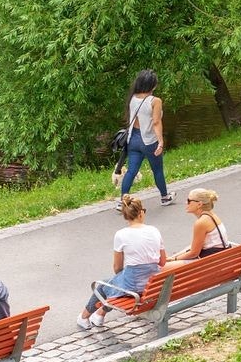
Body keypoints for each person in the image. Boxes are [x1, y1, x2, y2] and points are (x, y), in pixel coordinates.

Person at [79, 194, 165, 329]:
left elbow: (117, 267)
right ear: (141, 213)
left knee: (104, 285)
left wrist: (125, 273)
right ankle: (99, 315)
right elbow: (162, 261)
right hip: (154, 286)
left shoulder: (121, 235)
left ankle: (83, 318)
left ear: (125, 216)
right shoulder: (154, 231)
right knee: (115, 284)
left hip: (135, 288)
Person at [119, 69, 175, 206]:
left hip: (133, 140)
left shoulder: (132, 98)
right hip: (149, 141)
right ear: (153, 85)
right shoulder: (155, 101)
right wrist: (160, 141)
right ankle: (165, 197)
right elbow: (156, 122)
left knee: (131, 171)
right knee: (157, 170)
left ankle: (122, 202)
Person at [163, 188, 231, 271]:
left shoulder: (201, 222)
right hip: (220, 260)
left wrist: (174, 259)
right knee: (168, 264)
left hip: (211, 265)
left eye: (189, 201)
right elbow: (194, 248)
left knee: (161, 269)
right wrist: (173, 257)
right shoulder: (211, 216)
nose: (186, 203)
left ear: (199, 204)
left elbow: (194, 253)